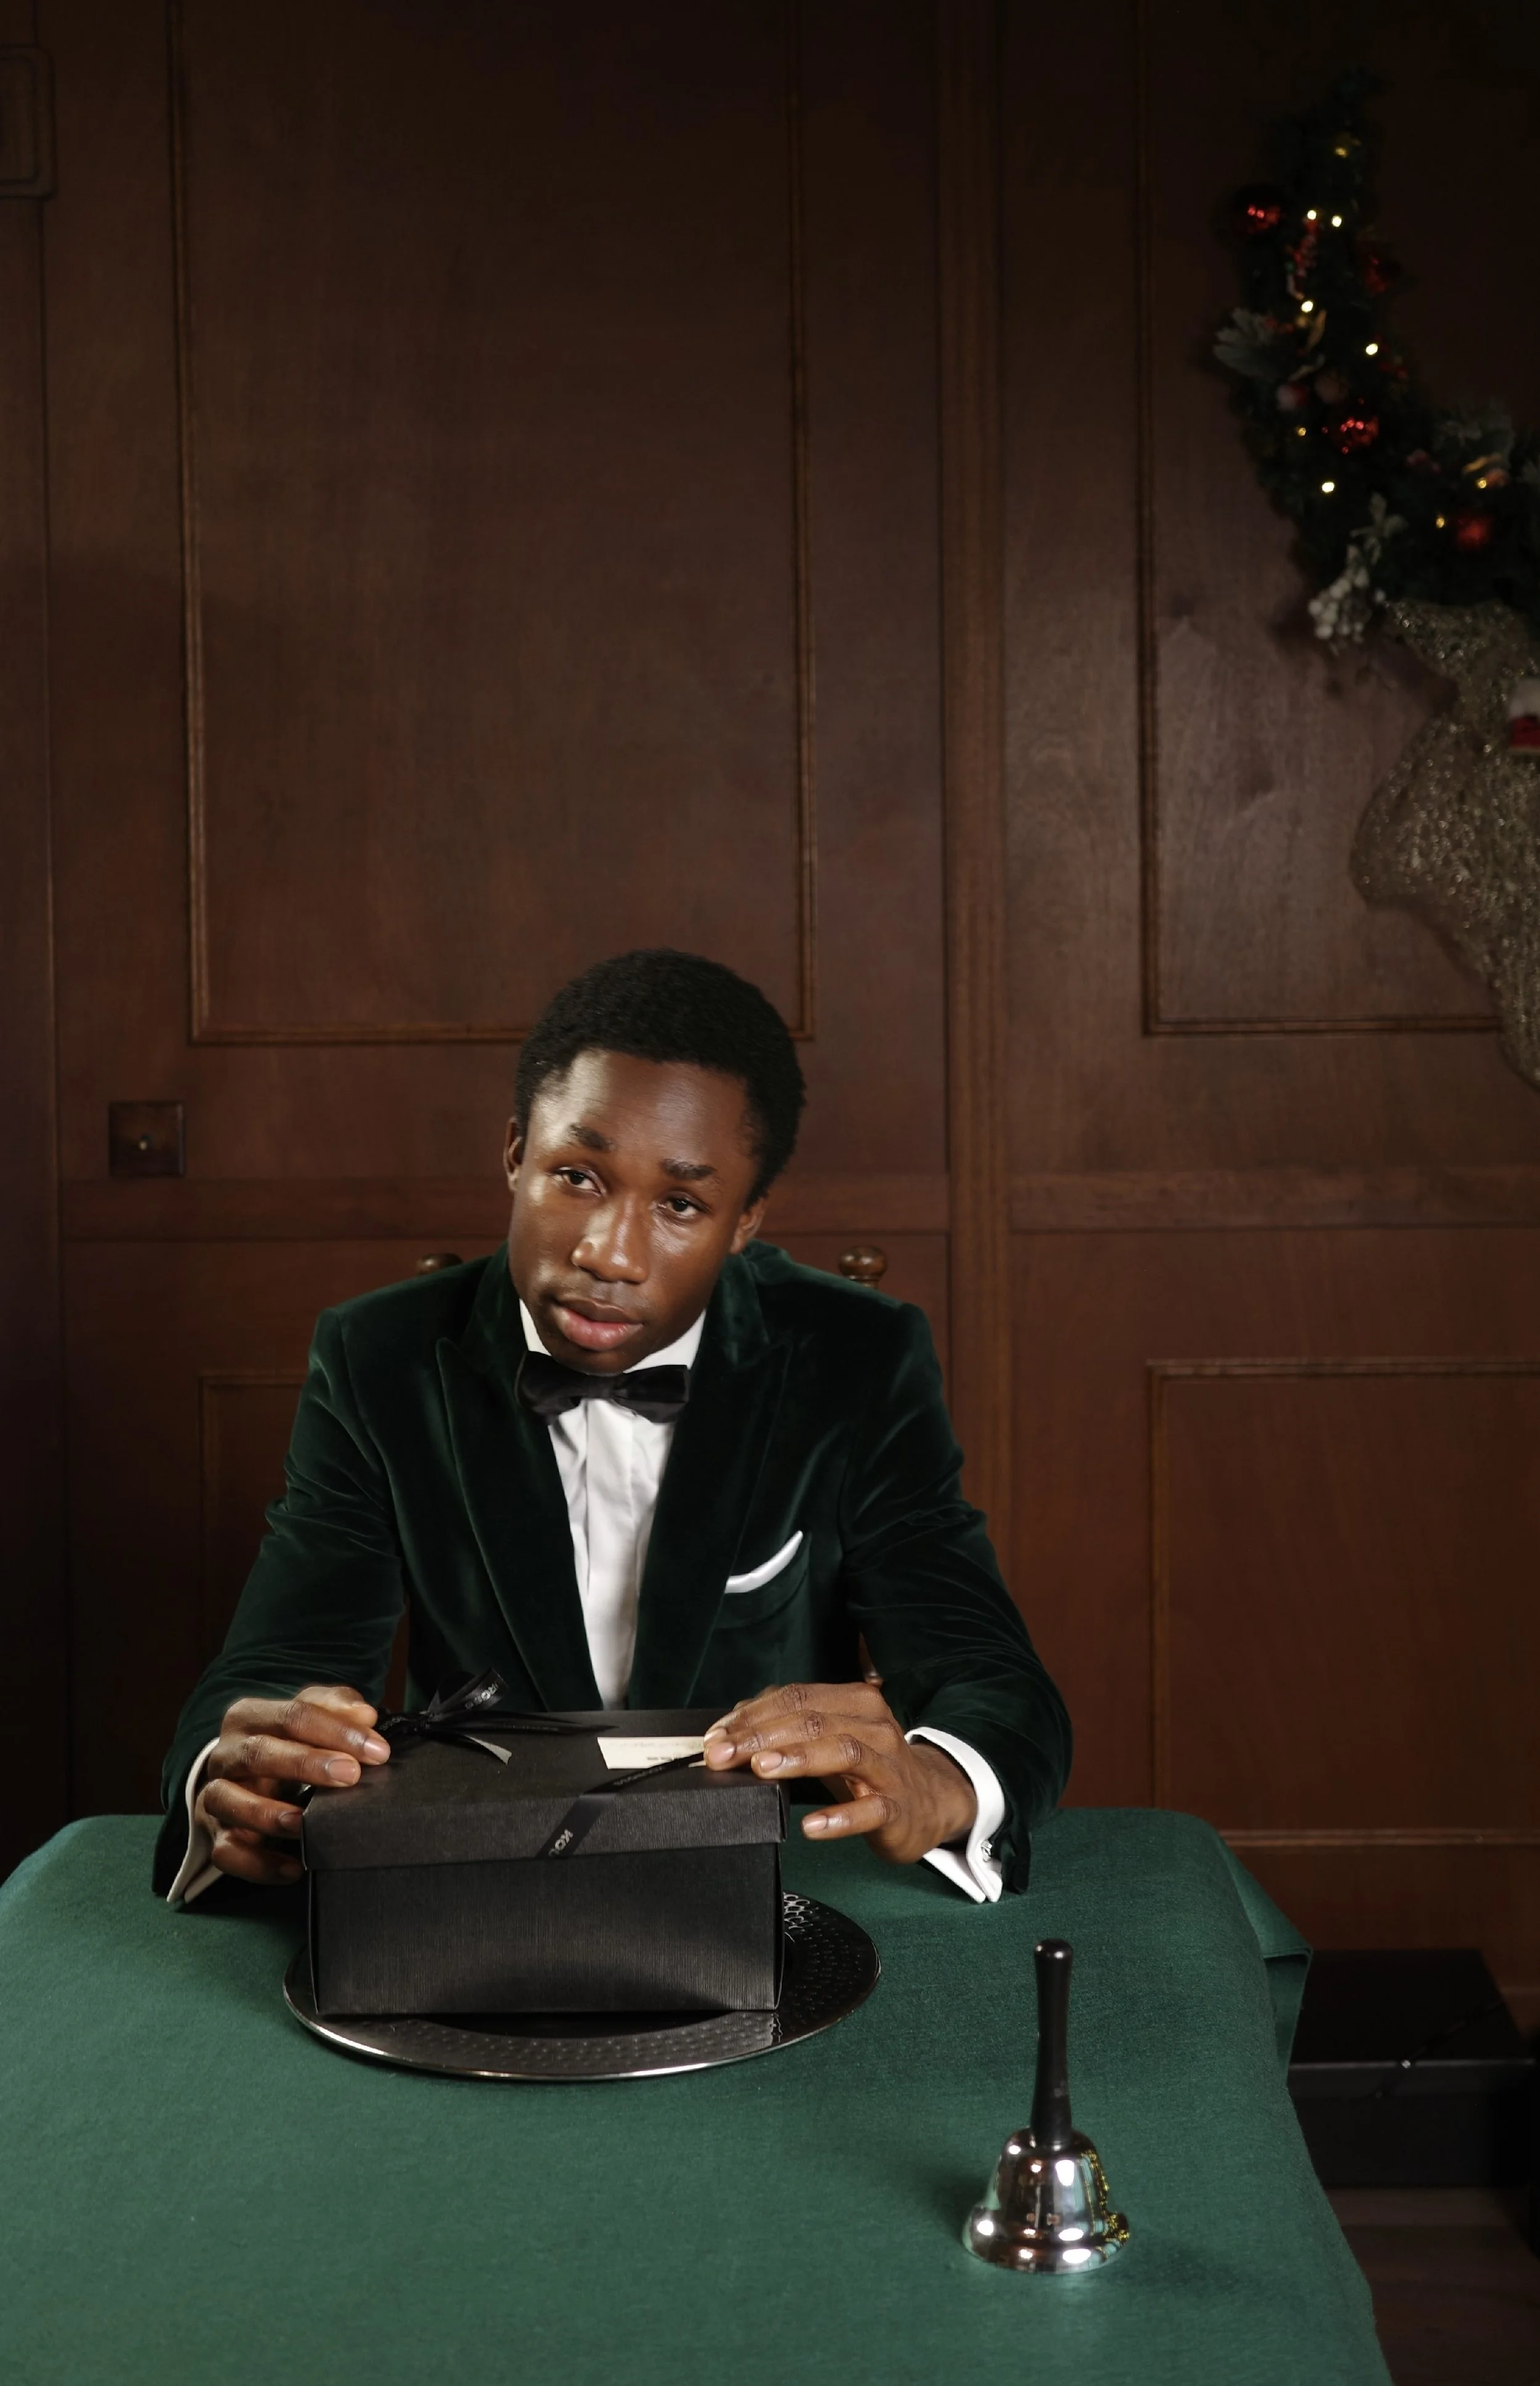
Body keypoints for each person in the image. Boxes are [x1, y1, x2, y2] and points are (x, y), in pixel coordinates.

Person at [155, 949, 1070, 1907]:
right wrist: (238, 1773)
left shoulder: (858, 1357)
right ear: (516, 1154)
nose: (611, 1255)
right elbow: (278, 1666)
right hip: (477, 1885)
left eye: (680, 1204)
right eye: (577, 1177)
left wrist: (944, 1780)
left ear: (745, 1221)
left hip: (768, 1890)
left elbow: (989, 1673)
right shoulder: (378, 1358)